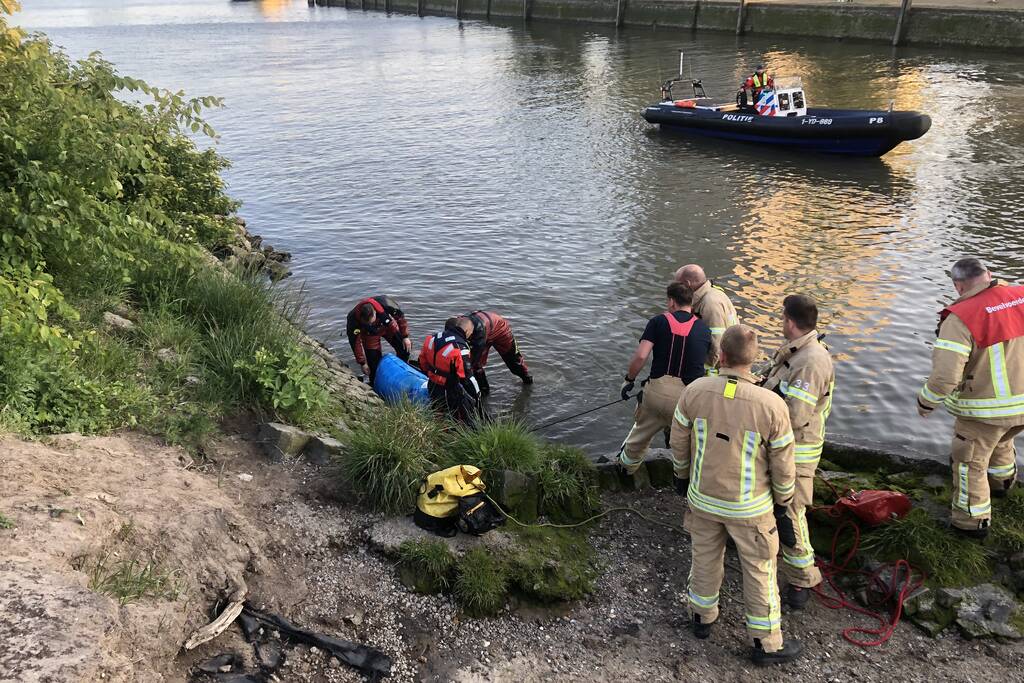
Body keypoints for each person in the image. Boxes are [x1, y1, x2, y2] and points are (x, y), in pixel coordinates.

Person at [670, 324, 802, 664]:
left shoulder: (695, 391)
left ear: (721, 356)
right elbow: (784, 465)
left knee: (704, 557)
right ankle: (766, 643)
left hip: (702, 498)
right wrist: (784, 503)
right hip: (750, 508)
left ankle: (701, 618)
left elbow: (679, 441)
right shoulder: (771, 404)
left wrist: (682, 477)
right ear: (754, 359)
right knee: (760, 569)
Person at [918, 258, 1024, 539]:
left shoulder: (961, 316)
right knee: (1003, 438)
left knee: (969, 462)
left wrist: (926, 401)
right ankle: (1002, 484)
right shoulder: (1020, 295)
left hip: (985, 409)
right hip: (1021, 404)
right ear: (989, 274)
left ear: (958, 284)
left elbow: (945, 376)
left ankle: (970, 523)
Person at [760, 295, 835, 609]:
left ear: (789, 321)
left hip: (796, 449)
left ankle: (801, 579)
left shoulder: (811, 361)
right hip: (780, 445)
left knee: (791, 512)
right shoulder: (796, 352)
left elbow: (795, 416)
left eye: (781, 318)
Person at [617, 283, 712, 474]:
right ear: (691, 303)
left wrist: (629, 380)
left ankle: (626, 470)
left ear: (671, 301)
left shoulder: (658, 321)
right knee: (684, 441)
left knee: (640, 434)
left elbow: (641, 356)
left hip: (656, 394)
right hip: (686, 399)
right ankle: (682, 477)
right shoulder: (704, 329)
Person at [675, 264, 740, 374]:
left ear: (687, 283)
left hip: (719, 369)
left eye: (678, 284)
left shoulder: (709, 303)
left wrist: (702, 371)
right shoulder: (715, 293)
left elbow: (716, 342)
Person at [419, 317, 481, 424]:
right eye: (471, 333)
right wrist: (477, 394)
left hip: (432, 384)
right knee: (458, 418)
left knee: (438, 412)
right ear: (467, 330)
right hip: (448, 389)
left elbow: (422, 362)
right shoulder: (460, 347)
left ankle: (438, 430)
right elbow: (467, 378)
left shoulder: (432, 338)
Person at [345, 295, 411, 384]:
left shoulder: (386, 303)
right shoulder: (352, 320)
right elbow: (355, 342)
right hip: (370, 335)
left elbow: (400, 317)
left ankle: (404, 372)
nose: (370, 324)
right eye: (368, 323)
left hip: (387, 327)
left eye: (371, 322)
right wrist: (362, 363)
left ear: (375, 312)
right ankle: (375, 384)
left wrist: (405, 336)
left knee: (405, 349)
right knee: (373, 366)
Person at [465, 310, 533, 394]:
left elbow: (473, 358)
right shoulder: (453, 330)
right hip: (481, 330)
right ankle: (484, 392)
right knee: (476, 367)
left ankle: (527, 381)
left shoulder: (476, 332)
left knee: (514, 363)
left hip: (500, 330)